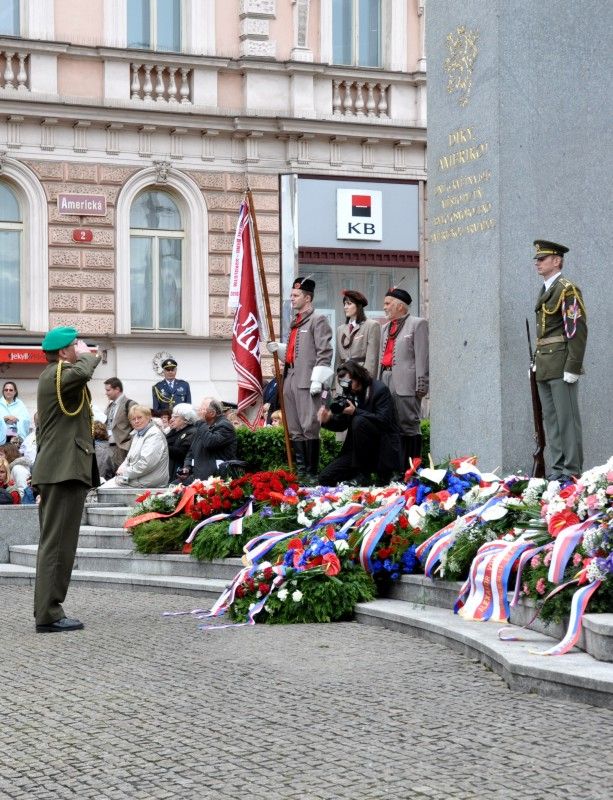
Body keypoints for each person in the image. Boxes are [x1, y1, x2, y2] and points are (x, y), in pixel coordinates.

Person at [31, 326, 101, 633]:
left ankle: (48, 609)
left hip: (62, 469)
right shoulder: (57, 374)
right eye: (76, 345)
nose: (81, 348)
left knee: (58, 544)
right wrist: (88, 355)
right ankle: (48, 613)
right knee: (58, 545)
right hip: (62, 470)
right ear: (63, 352)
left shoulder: (57, 375)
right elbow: (84, 371)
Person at [266, 277, 333, 478]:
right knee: (294, 428)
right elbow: (297, 351)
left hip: (307, 380)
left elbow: (325, 351)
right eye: (292, 295)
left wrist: (318, 379)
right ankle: (301, 473)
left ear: (308, 298)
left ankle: (311, 474)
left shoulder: (317, 320)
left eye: (296, 295)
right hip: (291, 376)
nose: (292, 298)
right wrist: (280, 349)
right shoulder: (296, 322)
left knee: (309, 427)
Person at [533, 239, 587, 479]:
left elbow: (576, 329)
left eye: (542, 259)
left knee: (567, 420)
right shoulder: (546, 289)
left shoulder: (567, 289)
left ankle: (571, 471)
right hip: (545, 364)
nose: (538, 263)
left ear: (557, 260)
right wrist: (536, 361)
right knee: (551, 422)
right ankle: (556, 471)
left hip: (562, 362)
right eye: (537, 259)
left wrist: (573, 365)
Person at [318, 360, 402, 486]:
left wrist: (355, 411)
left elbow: (384, 421)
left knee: (359, 421)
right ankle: (355, 475)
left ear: (358, 376)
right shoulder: (349, 392)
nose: (347, 386)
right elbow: (342, 425)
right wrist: (326, 420)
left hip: (380, 448)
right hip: (357, 451)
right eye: (343, 384)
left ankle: (364, 475)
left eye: (349, 382)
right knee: (325, 477)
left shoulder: (379, 390)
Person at [378, 286, 429, 470]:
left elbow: (422, 357)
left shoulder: (417, 324)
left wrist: (421, 385)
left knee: (409, 426)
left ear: (400, 306)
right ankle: (396, 470)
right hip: (385, 379)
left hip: (406, 384)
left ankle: (412, 470)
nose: (384, 307)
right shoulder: (385, 328)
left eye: (387, 303)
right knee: (389, 426)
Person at [102, 405, 169, 488]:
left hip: (148, 482)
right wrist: (122, 467)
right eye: (133, 419)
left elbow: (146, 463)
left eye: (139, 417)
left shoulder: (154, 435)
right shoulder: (137, 434)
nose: (136, 421)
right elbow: (129, 458)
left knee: (104, 490)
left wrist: (125, 472)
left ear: (148, 417)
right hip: (136, 479)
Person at [183, 398, 238, 480]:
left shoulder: (224, 425)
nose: (199, 412)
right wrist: (187, 467)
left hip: (216, 478)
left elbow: (210, 443)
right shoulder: (203, 426)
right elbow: (191, 451)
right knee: (173, 487)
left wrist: (201, 423)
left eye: (203, 409)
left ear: (212, 413)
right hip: (198, 476)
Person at [334, 290, 381, 381]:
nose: (345, 307)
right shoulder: (340, 329)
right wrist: (334, 385)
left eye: (349, 304)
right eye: (344, 304)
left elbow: (372, 360)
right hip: (342, 377)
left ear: (358, 306)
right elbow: (338, 360)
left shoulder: (371, 325)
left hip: (360, 377)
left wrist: (367, 382)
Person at [104, 377, 136, 474]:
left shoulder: (130, 404)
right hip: (109, 447)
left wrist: (129, 445)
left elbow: (138, 426)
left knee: (122, 476)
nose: (106, 393)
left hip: (123, 448)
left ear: (117, 389)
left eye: (108, 390)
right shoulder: (110, 405)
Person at [166, 403, 198, 482]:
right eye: (172, 416)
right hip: (170, 470)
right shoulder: (173, 431)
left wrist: (163, 447)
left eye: (175, 417)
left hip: (180, 473)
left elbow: (183, 453)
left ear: (186, 420)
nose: (171, 419)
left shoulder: (192, 432)